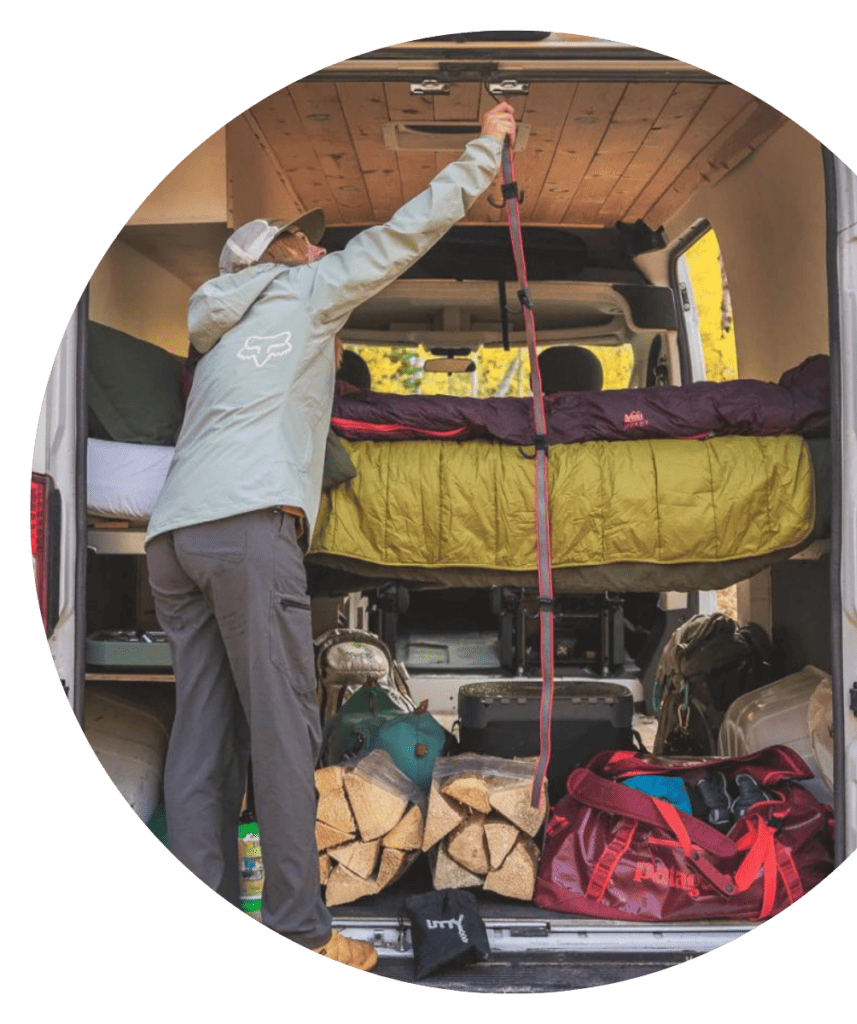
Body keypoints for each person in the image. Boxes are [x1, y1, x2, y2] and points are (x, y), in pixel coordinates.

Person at [145, 102, 517, 969]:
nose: (320, 247)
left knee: (202, 729)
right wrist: (486, 149)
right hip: (244, 535)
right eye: (304, 240)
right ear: (278, 257)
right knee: (281, 730)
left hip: (176, 542)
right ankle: (300, 932)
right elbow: (408, 231)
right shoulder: (304, 292)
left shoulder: (222, 328)